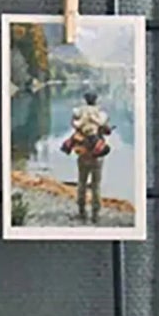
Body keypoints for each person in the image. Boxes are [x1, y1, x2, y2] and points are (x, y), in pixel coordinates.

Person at [61, 88, 113, 224]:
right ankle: (95, 213)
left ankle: (81, 211)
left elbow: (75, 126)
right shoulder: (100, 114)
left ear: (85, 100)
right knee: (96, 185)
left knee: (82, 183)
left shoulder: (79, 113)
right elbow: (107, 131)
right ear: (96, 100)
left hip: (83, 154)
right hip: (97, 156)